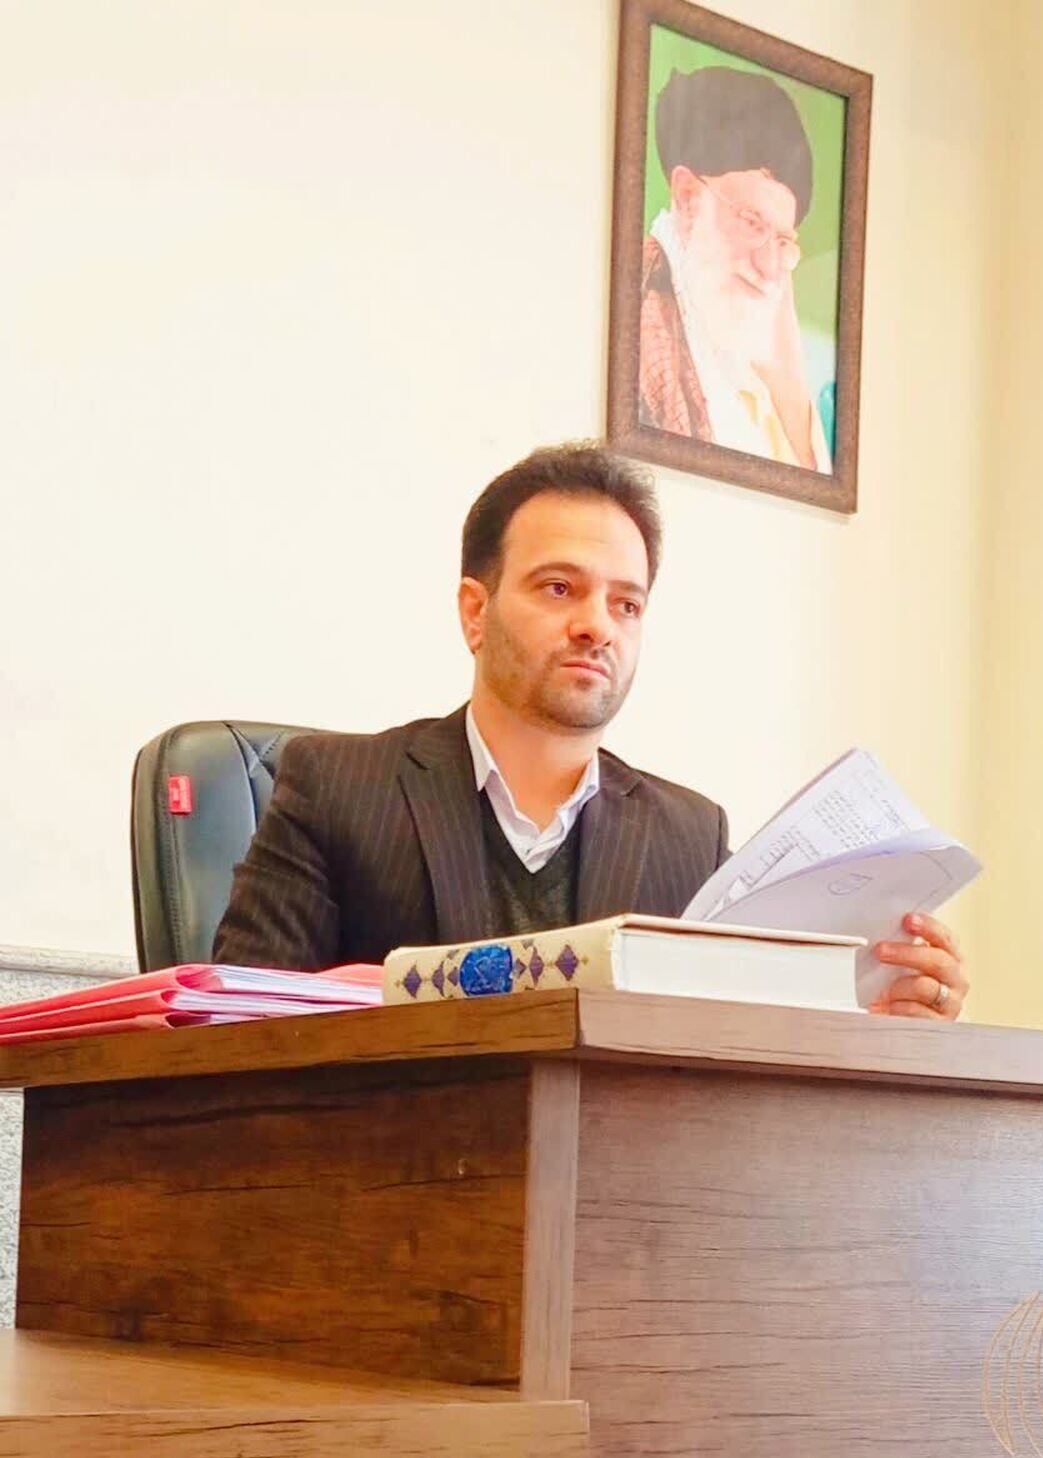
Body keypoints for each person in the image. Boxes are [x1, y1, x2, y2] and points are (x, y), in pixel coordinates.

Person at [214, 442, 967, 1020]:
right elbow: (230, 1033)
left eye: (626, 604)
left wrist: (881, 1019)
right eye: (559, 588)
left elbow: (730, 1063)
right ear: (476, 611)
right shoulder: (336, 788)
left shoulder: (689, 838)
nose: (596, 626)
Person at [639, 65, 831, 472]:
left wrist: (786, 378)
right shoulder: (641, 313)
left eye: (782, 241)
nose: (768, 267)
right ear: (688, 198)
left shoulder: (757, 361)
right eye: (751, 223)